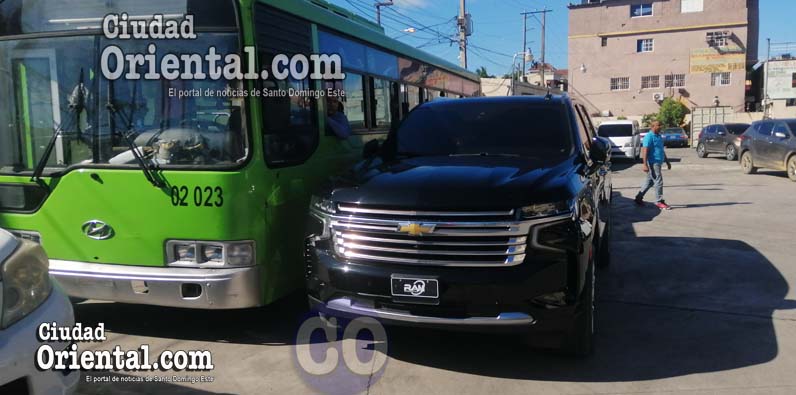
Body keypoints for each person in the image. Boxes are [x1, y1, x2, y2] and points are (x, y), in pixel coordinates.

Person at [635, 120, 672, 210]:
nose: (660, 127)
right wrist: (644, 164)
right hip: (652, 162)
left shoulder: (658, 136)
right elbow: (645, 150)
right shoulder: (649, 136)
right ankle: (659, 201)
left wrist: (667, 161)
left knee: (650, 181)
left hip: (659, 162)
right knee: (658, 181)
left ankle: (638, 198)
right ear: (653, 126)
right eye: (658, 125)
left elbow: (661, 150)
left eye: (660, 125)